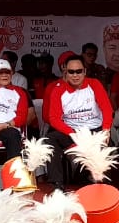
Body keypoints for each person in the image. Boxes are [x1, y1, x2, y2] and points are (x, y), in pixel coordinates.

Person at [41, 53, 113, 190]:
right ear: (65, 73)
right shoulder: (58, 90)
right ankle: (57, 185)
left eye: (79, 71)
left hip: (94, 129)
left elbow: (107, 109)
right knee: (49, 140)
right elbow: (53, 119)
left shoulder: (94, 84)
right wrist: (73, 133)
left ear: (85, 71)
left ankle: (103, 185)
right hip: (71, 130)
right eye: (71, 72)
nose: (75, 75)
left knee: (107, 146)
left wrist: (106, 129)